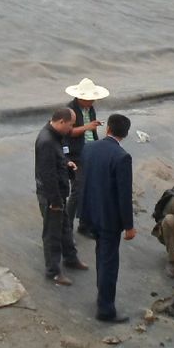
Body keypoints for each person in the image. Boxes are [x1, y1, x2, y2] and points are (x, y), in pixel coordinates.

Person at [79, 113, 136, 323]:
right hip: (110, 220)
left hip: (91, 213)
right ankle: (106, 309)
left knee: (101, 256)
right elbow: (124, 195)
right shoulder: (122, 157)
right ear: (126, 134)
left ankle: (101, 296)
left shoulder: (89, 148)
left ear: (108, 129)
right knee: (109, 263)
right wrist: (129, 226)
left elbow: (84, 181)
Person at [35, 107, 88, 285]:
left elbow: (57, 160)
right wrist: (55, 201)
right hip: (51, 196)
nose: (72, 128)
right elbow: (47, 174)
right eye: (71, 125)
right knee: (52, 233)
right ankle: (53, 271)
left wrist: (66, 163)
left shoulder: (55, 138)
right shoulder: (46, 142)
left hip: (59, 193)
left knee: (65, 227)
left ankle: (71, 258)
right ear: (61, 122)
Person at [64, 77, 109, 238]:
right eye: (89, 99)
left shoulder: (90, 109)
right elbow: (68, 132)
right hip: (76, 155)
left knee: (90, 190)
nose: (91, 102)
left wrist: (92, 129)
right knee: (77, 190)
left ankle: (84, 224)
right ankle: (67, 227)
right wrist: (87, 127)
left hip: (90, 151)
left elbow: (89, 129)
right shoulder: (70, 110)